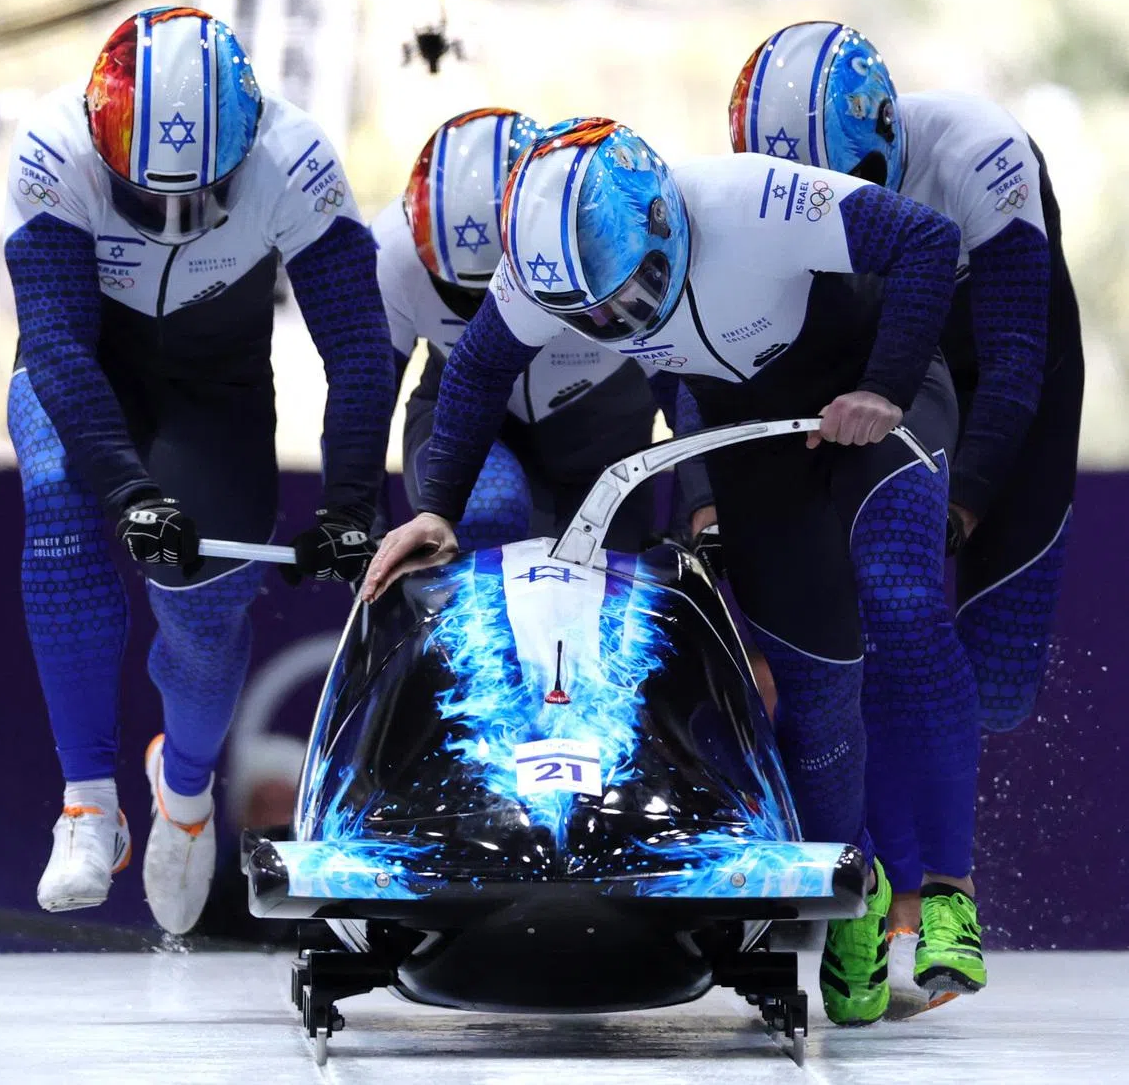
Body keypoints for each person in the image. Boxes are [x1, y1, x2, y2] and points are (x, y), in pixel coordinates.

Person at [362, 116, 971, 1026]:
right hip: (758, 438)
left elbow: (927, 241)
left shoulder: (751, 198)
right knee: (815, 683)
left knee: (899, 598)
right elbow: (479, 372)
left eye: (632, 291)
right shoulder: (545, 276)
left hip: (873, 397)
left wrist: (882, 383)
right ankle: (859, 889)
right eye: (593, 316)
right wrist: (435, 508)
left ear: (664, 224)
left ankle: (952, 886)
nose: (619, 322)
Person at [5, 7, 392, 934]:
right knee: (62, 512)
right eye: (147, 198)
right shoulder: (54, 149)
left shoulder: (297, 159)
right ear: (104, 152)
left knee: (203, 605)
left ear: (246, 147)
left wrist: (349, 503)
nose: (174, 219)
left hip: (214, 392)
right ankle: (88, 803)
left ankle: (181, 793)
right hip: (91, 364)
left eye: (202, 195)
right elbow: (58, 348)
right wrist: (127, 491)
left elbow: (362, 352)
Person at [731, 20, 1080, 1016]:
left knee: (997, 684)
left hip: (1005, 370)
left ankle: (917, 880)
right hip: (889, 370)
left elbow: (1014, 365)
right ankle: (905, 898)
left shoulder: (980, 152)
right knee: (884, 613)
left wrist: (964, 504)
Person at [373, 107, 662, 552]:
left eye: (500, 284)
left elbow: (685, 377)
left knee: (602, 588)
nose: (488, 311)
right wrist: (357, 522)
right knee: (487, 509)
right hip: (470, 421)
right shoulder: (392, 251)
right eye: (461, 293)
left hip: (603, 433)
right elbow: (367, 394)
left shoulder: (611, 238)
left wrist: (704, 508)